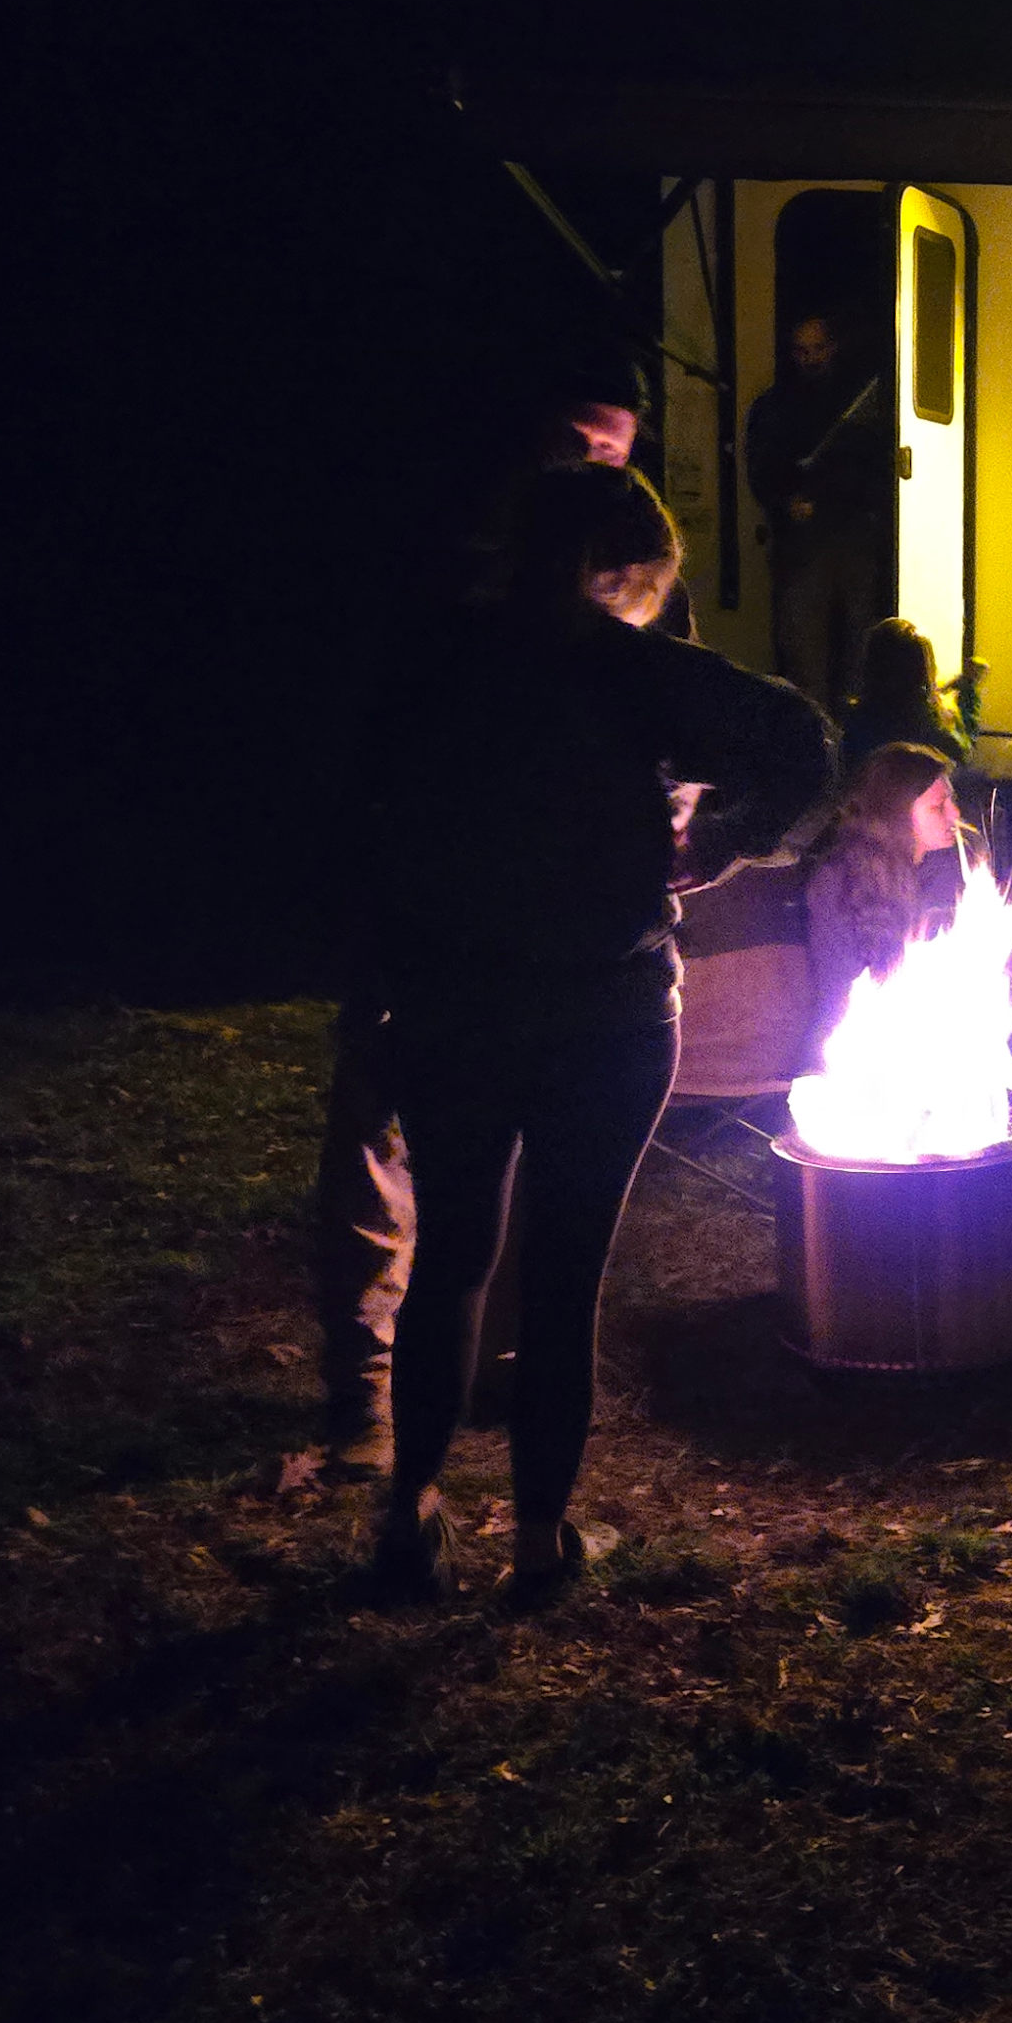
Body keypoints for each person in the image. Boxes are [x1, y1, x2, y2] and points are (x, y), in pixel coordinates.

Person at [355, 463, 835, 1598]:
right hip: (603, 1005)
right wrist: (723, 839)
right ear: (621, 570)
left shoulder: (436, 659)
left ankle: (408, 1518)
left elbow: (363, 811)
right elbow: (806, 745)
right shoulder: (629, 670)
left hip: (453, 999)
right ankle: (537, 1545)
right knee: (565, 1280)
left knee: (452, 1261)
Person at [311, 350, 665, 1474]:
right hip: (444, 946)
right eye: (578, 445)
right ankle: (373, 1409)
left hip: (552, 950)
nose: (595, 469)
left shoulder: (629, 583)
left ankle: (486, 1421)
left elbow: (716, 725)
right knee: (397, 1171)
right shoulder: (453, 588)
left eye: (615, 452)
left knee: (512, 1233)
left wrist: (695, 834)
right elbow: (372, 763)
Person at [744, 312, 894, 712]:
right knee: (803, 649)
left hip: (855, 539)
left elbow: (877, 467)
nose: (810, 358)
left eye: (818, 348)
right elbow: (760, 469)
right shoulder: (775, 407)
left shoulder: (861, 404)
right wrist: (785, 502)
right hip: (803, 546)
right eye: (801, 350)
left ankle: (854, 730)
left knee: (860, 646)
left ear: (835, 347)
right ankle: (813, 732)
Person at [799, 740, 969, 1058]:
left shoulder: (939, 868)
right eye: (938, 806)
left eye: (952, 800)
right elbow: (841, 993)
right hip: (857, 1048)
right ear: (896, 815)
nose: (955, 813)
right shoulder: (842, 883)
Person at [840, 615, 976, 765]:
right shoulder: (928, 724)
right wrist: (952, 718)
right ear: (924, 671)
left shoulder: (856, 721)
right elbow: (962, 758)